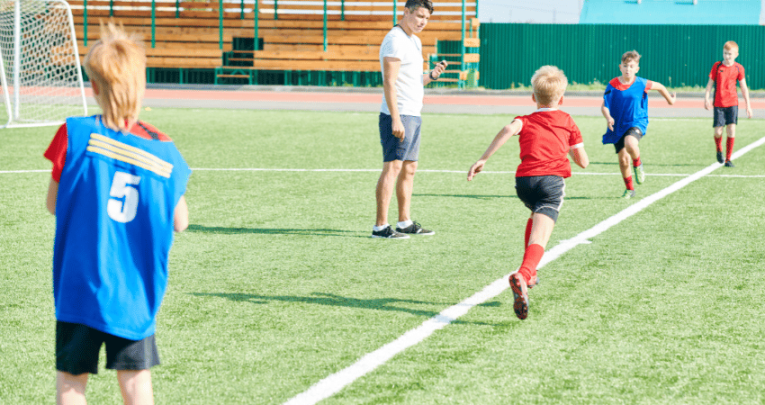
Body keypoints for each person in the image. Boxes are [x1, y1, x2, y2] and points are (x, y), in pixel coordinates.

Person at [43, 23, 191, 405]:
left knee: (71, 383)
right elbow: (181, 221)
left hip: (80, 286)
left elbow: (53, 205)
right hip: (134, 292)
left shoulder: (74, 135)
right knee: (136, 383)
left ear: (94, 86)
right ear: (140, 85)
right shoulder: (163, 153)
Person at [467, 66, 589, 320]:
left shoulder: (525, 119)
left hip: (524, 182)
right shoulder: (567, 120)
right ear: (562, 97)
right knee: (542, 234)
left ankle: (530, 275)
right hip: (550, 183)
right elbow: (583, 162)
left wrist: (483, 159)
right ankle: (523, 274)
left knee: (535, 216)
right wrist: (567, 147)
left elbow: (508, 129)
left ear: (533, 97)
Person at [372, 0, 448, 239]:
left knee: (409, 169)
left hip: (414, 113)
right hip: (400, 114)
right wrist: (396, 118)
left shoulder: (414, 40)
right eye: (419, 16)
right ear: (406, 12)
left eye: (426, 18)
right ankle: (380, 227)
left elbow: (413, 80)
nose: (422, 21)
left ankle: (404, 222)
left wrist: (431, 76)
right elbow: (389, 82)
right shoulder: (395, 39)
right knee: (393, 167)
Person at [601, 50, 676, 199]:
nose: (628, 69)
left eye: (631, 66)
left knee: (630, 143)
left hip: (637, 121)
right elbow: (604, 105)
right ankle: (630, 189)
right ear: (620, 67)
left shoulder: (642, 83)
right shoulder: (613, 84)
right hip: (617, 126)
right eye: (625, 65)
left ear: (637, 69)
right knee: (623, 160)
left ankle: (638, 163)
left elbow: (660, 86)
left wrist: (670, 100)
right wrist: (608, 117)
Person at [704, 41, 753, 168]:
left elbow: (743, 87)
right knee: (718, 132)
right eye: (725, 53)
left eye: (730, 54)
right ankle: (719, 149)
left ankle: (728, 159)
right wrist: (706, 98)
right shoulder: (717, 66)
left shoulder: (739, 68)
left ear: (736, 54)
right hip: (719, 104)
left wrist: (748, 105)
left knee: (731, 129)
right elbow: (710, 84)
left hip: (732, 103)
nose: (727, 56)